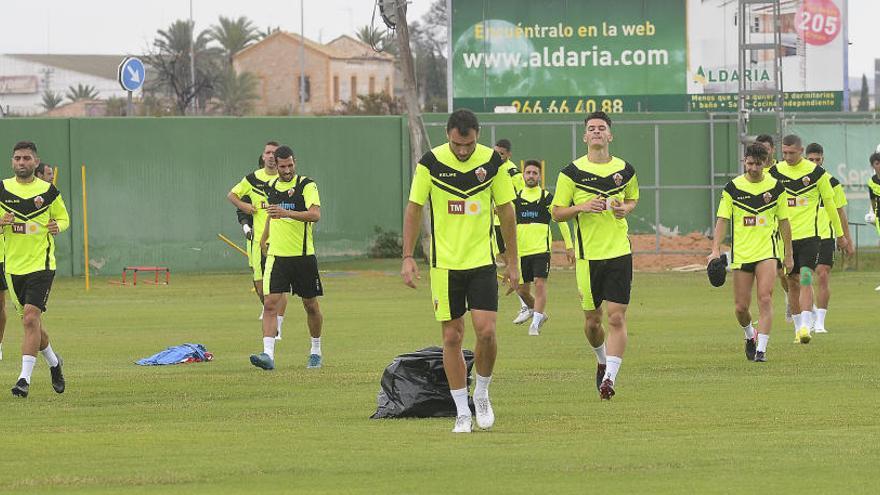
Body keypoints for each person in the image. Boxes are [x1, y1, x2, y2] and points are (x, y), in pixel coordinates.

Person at [401, 109, 518, 433]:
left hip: (481, 262)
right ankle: (461, 411)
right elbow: (414, 208)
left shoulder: (493, 163)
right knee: (452, 336)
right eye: (456, 144)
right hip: (444, 265)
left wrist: (513, 260)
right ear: (447, 135)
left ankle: (481, 393)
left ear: (477, 135)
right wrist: (407, 256)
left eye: (468, 144)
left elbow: (507, 212)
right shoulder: (430, 163)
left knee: (487, 332)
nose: (462, 151)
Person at [551, 111, 639, 401]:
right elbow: (556, 212)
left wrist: (625, 209)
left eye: (602, 128)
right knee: (592, 322)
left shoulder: (625, 170)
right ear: (585, 136)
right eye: (592, 128)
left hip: (618, 253)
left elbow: (632, 198)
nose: (597, 132)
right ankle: (601, 359)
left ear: (610, 135)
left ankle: (610, 379)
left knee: (616, 318)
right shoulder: (571, 173)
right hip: (588, 259)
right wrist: (582, 207)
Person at [708, 144, 794, 362]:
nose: (754, 168)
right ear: (744, 162)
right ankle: (750, 335)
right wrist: (715, 250)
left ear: (766, 162)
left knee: (765, 298)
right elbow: (722, 220)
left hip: (767, 252)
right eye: (750, 163)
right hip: (742, 254)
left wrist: (788, 254)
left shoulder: (776, 188)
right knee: (740, 308)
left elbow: (784, 223)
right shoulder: (733, 188)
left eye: (758, 163)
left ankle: (761, 350)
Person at [767, 135, 852, 344]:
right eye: (784, 153)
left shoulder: (816, 173)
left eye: (792, 153)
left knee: (805, 277)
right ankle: (798, 328)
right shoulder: (774, 173)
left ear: (801, 151)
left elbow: (831, 205)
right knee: (791, 281)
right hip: (785, 239)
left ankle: (806, 325)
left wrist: (841, 235)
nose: (787, 157)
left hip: (810, 237)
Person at [0, 142, 69, 398]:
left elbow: (64, 218)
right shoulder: (2, 189)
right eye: (17, 157)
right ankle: (54, 362)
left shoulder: (48, 192)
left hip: (42, 265)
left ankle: (23, 380)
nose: (21, 162)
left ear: (36, 162)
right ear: (12, 162)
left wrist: (57, 227)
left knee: (30, 319)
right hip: (13, 267)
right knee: (32, 324)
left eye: (27, 158)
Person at [250, 145, 324, 370]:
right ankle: (268, 355)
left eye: (290, 165)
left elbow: (315, 215)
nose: (287, 169)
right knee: (270, 304)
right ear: (276, 166)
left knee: (310, 305)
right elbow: (272, 216)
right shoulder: (271, 187)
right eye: (283, 166)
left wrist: (287, 213)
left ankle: (315, 350)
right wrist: (264, 239)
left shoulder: (306, 185)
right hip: (277, 256)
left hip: (302, 256)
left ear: (294, 162)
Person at [227, 141, 288, 339]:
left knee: (279, 286)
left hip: (279, 241)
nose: (271, 156)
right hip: (256, 243)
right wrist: (244, 208)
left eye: (274, 153)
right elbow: (232, 195)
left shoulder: (286, 180)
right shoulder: (252, 179)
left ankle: (277, 326)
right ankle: (271, 316)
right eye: (268, 152)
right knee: (261, 288)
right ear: (263, 156)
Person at [512, 159, 574, 335]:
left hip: (540, 251)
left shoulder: (546, 197)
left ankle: (535, 324)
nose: (531, 176)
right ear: (523, 175)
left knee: (540, 284)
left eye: (534, 173)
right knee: (522, 290)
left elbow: (561, 222)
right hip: (521, 252)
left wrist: (569, 246)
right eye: (528, 172)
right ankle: (541, 314)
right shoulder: (515, 198)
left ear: (540, 176)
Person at [803, 143, 852, 333]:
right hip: (806, 236)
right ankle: (808, 316)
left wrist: (846, 239)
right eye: (811, 159)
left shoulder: (832, 182)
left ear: (823, 159)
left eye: (817, 159)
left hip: (826, 236)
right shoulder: (801, 183)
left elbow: (840, 212)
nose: (815, 163)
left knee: (822, 275)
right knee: (806, 278)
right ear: (806, 159)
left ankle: (820, 322)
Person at [756, 134, 792, 322]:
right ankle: (767, 310)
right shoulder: (755, 171)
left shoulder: (780, 170)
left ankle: (797, 302)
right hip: (767, 229)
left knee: (793, 272)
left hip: (788, 225)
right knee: (773, 271)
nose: (763, 152)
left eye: (766, 148)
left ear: (772, 150)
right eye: (759, 148)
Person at [491, 139, 524, 267]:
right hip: (494, 220)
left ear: (509, 155)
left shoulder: (513, 172)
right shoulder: (490, 168)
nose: (498, 156)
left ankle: (516, 270)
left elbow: (521, 196)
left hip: (507, 219)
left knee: (511, 248)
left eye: (501, 154)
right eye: (495, 152)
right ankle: (511, 268)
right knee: (499, 249)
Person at [867, 153, 880, 291]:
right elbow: (872, 199)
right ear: (873, 166)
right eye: (877, 163)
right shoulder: (871, 181)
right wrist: (874, 214)